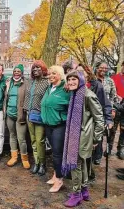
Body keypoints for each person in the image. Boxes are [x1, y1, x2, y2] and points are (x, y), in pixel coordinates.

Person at [62, 69, 104, 207]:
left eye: (74, 79)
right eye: (69, 79)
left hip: (83, 136)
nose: (71, 82)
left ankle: (76, 194)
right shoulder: (75, 94)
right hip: (75, 134)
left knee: (76, 165)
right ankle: (84, 190)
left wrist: (96, 139)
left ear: (81, 80)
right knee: (81, 163)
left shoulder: (88, 95)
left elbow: (99, 119)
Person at [41, 65, 71, 193]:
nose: (51, 75)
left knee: (58, 154)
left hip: (59, 125)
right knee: (54, 152)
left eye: (54, 73)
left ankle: (59, 179)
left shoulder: (66, 89)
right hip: (48, 125)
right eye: (49, 73)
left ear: (60, 74)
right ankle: (55, 175)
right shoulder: (49, 88)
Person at [23, 60, 49, 176]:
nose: (36, 70)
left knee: (40, 141)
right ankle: (37, 163)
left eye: (38, 68)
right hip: (29, 114)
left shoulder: (47, 82)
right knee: (33, 140)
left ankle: (43, 164)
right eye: (34, 68)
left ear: (43, 69)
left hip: (40, 115)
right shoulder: (30, 82)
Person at [4, 64, 30, 169]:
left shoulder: (26, 83)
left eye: (19, 71)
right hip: (9, 114)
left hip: (20, 115)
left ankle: (25, 159)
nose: (16, 73)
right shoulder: (8, 82)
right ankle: (14, 157)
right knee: (12, 136)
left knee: (21, 138)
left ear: (22, 73)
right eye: (15, 71)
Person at [111, 61, 124, 160]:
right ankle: (109, 148)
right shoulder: (114, 77)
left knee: (123, 130)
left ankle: (121, 149)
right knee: (113, 129)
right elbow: (111, 92)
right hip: (116, 106)